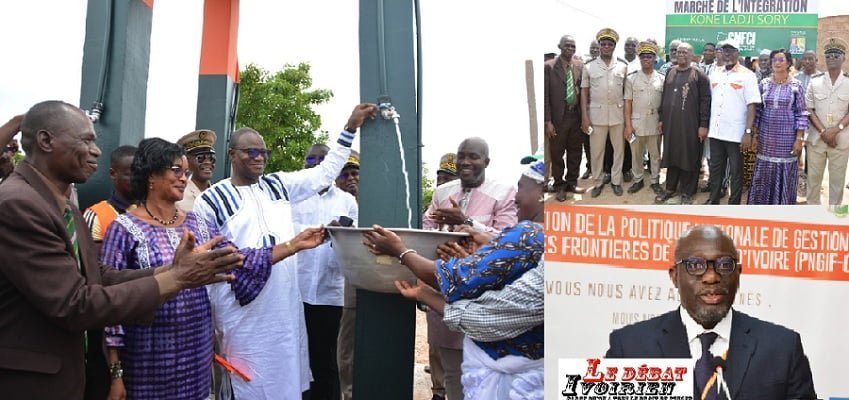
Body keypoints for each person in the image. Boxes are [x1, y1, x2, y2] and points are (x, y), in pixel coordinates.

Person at [0, 101, 242, 399]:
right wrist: (176, 279)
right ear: (46, 141)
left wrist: (171, 270)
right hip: (32, 385)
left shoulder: (61, 205)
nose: (97, 151)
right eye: (86, 140)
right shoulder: (18, 204)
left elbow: (97, 275)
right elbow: (76, 303)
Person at [99, 138, 325, 399]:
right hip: (147, 361)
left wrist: (293, 245)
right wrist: (116, 374)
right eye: (176, 170)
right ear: (152, 173)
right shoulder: (125, 229)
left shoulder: (197, 225)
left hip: (195, 358)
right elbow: (111, 308)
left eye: (186, 172)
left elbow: (239, 259)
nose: (184, 178)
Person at [193, 104, 377, 399]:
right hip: (241, 313)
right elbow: (215, 261)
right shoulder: (211, 200)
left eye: (263, 153)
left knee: (285, 380)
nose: (259, 158)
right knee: (246, 382)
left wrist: (350, 128)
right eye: (251, 152)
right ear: (232, 155)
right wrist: (291, 246)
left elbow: (325, 172)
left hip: (283, 311)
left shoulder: (277, 185)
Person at [365, 160, 545, 400]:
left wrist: (399, 250)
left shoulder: (528, 234)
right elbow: (503, 287)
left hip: (507, 370)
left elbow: (460, 285)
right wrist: (481, 257)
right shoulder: (565, 237)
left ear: (543, 193)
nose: (516, 197)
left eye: (522, 188)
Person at [606, 225, 816, 399]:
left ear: (738, 274)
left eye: (724, 265)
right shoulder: (630, 347)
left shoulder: (783, 347)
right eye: (695, 265)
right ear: (675, 276)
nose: (711, 277)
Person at [421, 137, 517, 400]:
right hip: (447, 291)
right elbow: (426, 228)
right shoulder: (443, 192)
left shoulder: (504, 192)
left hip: (485, 297)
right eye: (462, 156)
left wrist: (467, 222)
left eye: (473, 157)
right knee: (453, 371)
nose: (465, 162)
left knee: (486, 372)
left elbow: (508, 241)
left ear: (486, 161)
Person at [292, 143, 358, 400]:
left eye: (324, 159)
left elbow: (355, 244)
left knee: (327, 362)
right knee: (297, 358)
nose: (318, 163)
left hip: (330, 292)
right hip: (296, 291)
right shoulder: (292, 197)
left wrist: (339, 235)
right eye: (312, 159)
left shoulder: (347, 202)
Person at [81, 145, 136, 400]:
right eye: (129, 173)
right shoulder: (98, 214)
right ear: (113, 174)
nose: (136, 179)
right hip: (108, 317)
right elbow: (97, 273)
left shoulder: (147, 214)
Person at [748, 49, 809, 204]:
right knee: (764, 171)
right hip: (766, 138)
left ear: (788, 63)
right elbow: (758, 111)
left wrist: (799, 139)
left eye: (781, 60)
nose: (777, 62)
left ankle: (781, 207)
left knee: (785, 171)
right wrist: (755, 135)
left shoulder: (797, 85)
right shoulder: (764, 84)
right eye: (774, 59)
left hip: (787, 138)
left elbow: (801, 113)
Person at [704, 39, 760, 205]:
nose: (727, 53)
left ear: (738, 53)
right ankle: (713, 201)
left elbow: (752, 106)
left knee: (736, 172)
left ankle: (733, 204)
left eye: (731, 50)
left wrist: (748, 132)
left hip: (736, 134)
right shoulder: (715, 74)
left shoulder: (747, 75)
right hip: (716, 132)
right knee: (715, 170)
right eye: (724, 50)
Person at [656, 42, 711, 205]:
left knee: (689, 156)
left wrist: (703, 125)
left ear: (692, 55)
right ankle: (670, 188)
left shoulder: (699, 75)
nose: (681, 55)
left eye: (685, 52)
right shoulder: (670, 72)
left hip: (691, 125)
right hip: (671, 123)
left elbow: (705, 101)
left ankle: (688, 191)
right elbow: (664, 96)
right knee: (671, 154)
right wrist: (661, 119)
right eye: (679, 52)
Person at [582, 28, 628, 197]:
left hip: (618, 115)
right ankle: (598, 181)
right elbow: (584, 94)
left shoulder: (623, 66)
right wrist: (585, 118)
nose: (606, 47)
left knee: (618, 150)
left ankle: (616, 181)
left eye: (610, 44)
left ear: (615, 46)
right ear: (599, 46)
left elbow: (626, 93)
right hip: (596, 116)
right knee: (597, 151)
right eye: (603, 44)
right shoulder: (589, 67)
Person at [805, 38, 849, 205]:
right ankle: (813, 219)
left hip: (841, 141)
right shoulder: (815, 81)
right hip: (817, 140)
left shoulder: (848, 82)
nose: (832, 58)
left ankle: (834, 221)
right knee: (813, 183)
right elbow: (809, 109)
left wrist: (835, 130)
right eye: (828, 55)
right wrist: (824, 132)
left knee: (837, 184)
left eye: (836, 55)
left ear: (843, 58)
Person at [545, 34, 586, 202]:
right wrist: (548, 121)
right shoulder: (548, 67)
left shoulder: (579, 66)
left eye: (573, 46)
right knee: (557, 153)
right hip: (557, 119)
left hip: (575, 116)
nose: (570, 48)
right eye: (567, 45)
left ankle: (571, 183)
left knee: (575, 152)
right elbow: (545, 96)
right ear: (559, 46)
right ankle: (559, 186)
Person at [624, 41, 665, 196]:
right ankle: (638, 179)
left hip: (655, 122)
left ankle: (655, 180)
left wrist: (663, 121)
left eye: (649, 56)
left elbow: (665, 104)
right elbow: (627, 103)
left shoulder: (661, 78)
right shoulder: (631, 79)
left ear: (654, 59)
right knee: (637, 154)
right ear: (639, 59)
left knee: (655, 154)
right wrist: (628, 126)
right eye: (643, 57)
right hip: (637, 122)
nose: (646, 59)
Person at [176, 129, 217, 211]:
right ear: (187, 161)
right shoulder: (179, 196)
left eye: (211, 158)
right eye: (200, 158)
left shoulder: (219, 194)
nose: (208, 162)